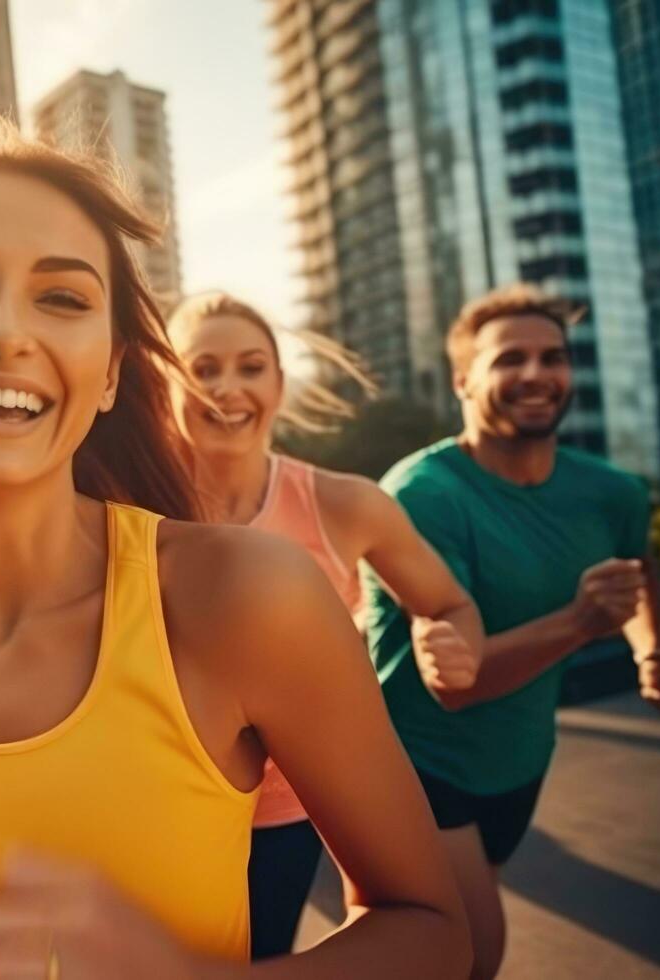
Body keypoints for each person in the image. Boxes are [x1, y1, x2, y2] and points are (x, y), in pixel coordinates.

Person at [0, 112, 469, 980]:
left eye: (61, 297)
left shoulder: (242, 598)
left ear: (111, 373)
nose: (6, 333)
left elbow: (433, 931)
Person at [366, 284, 660, 979]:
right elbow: (456, 688)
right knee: (474, 952)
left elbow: (639, 572)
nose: (535, 374)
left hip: (520, 757)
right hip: (414, 760)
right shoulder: (420, 495)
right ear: (463, 379)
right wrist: (579, 622)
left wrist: (652, 648)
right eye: (510, 360)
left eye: (552, 357)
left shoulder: (611, 491)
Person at [168, 291, 484, 959]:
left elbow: (449, 605)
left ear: (279, 385)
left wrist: (445, 643)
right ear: (167, 381)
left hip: (285, 815)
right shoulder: (119, 503)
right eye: (202, 368)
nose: (227, 387)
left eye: (250, 367)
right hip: (160, 807)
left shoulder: (344, 505)